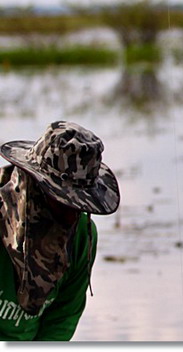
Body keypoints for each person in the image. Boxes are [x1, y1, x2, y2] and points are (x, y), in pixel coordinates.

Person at [0, 121, 120, 340]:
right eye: (63, 201)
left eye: (79, 205)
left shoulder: (82, 234)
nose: (72, 214)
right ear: (36, 187)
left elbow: (63, 317)